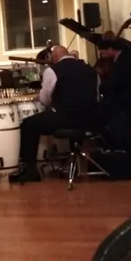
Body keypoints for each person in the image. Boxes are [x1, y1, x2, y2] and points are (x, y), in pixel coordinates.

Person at [12, 45, 99, 182]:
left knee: (28, 125)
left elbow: (45, 100)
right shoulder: (90, 69)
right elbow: (96, 96)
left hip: (65, 117)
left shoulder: (52, 70)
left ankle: (31, 171)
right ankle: (75, 163)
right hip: (90, 119)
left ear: (55, 57)